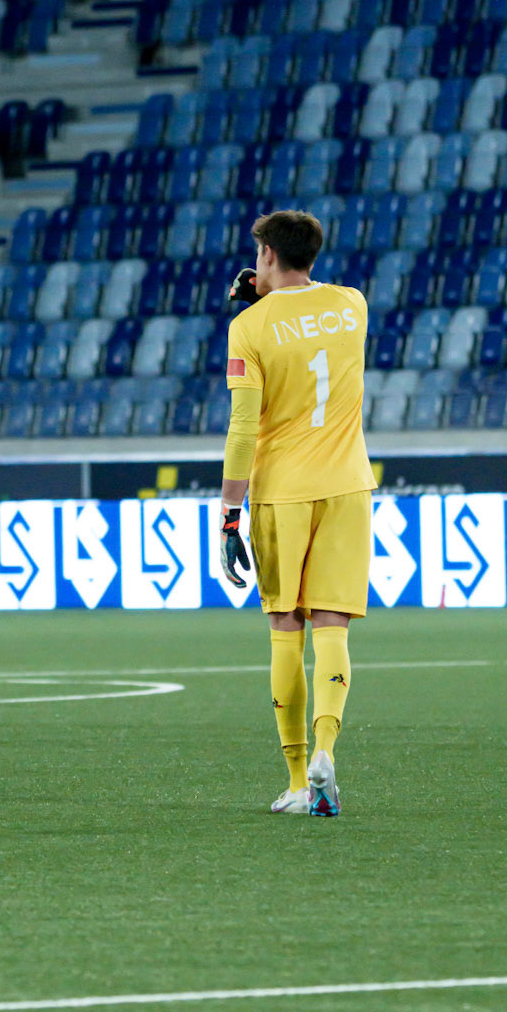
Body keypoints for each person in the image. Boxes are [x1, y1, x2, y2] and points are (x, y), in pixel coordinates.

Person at [219, 210, 375, 816]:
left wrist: (231, 511)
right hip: (347, 486)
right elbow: (309, 314)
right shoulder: (353, 305)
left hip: (282, 491)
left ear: (265, 256)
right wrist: (268, 293)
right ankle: (327, 752)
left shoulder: (248, 329)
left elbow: (242, 429)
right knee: (333, 626)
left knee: (287, 628)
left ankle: (293, 778)